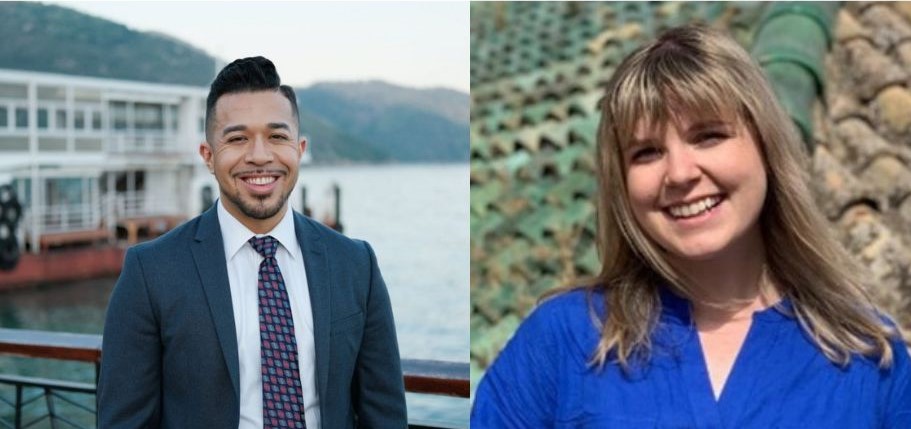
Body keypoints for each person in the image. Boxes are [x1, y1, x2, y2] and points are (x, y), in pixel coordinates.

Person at [471, 25, 911, 428]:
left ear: (766, 147)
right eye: (645, 152)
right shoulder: (564, 340)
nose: (679, 173)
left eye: (708, 136)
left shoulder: (871, 357)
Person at [98, 56, 407, 428]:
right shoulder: (150, 272)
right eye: (238, 138)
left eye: (277, 137)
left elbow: (384, 412)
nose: (260, 156)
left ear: (300, 149)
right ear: (208, 157)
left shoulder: (356, 264)